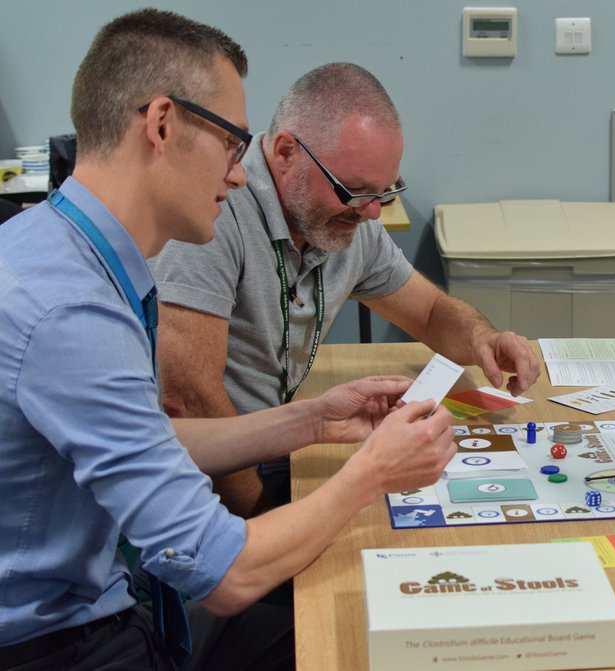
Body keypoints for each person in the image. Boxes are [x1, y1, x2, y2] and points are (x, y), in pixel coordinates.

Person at [0, 10, 456, 670]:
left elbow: (144, 437)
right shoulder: (70, 311)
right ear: (161, 125)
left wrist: (315, 418)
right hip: (58, 643)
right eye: (231, 145)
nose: (240, 175)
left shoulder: (56, 250)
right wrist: (373, 472)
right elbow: (225, 574)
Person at [147, 63, 538, 515]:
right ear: (286, 151)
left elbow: (429, 312)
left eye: (385, 193)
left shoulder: (346, 217)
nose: (372, 213)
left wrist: (482, 339)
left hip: (278, 452)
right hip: (210, 487)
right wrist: (264, 515)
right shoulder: (213, 213)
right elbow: (186, 399)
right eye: (353, 191)